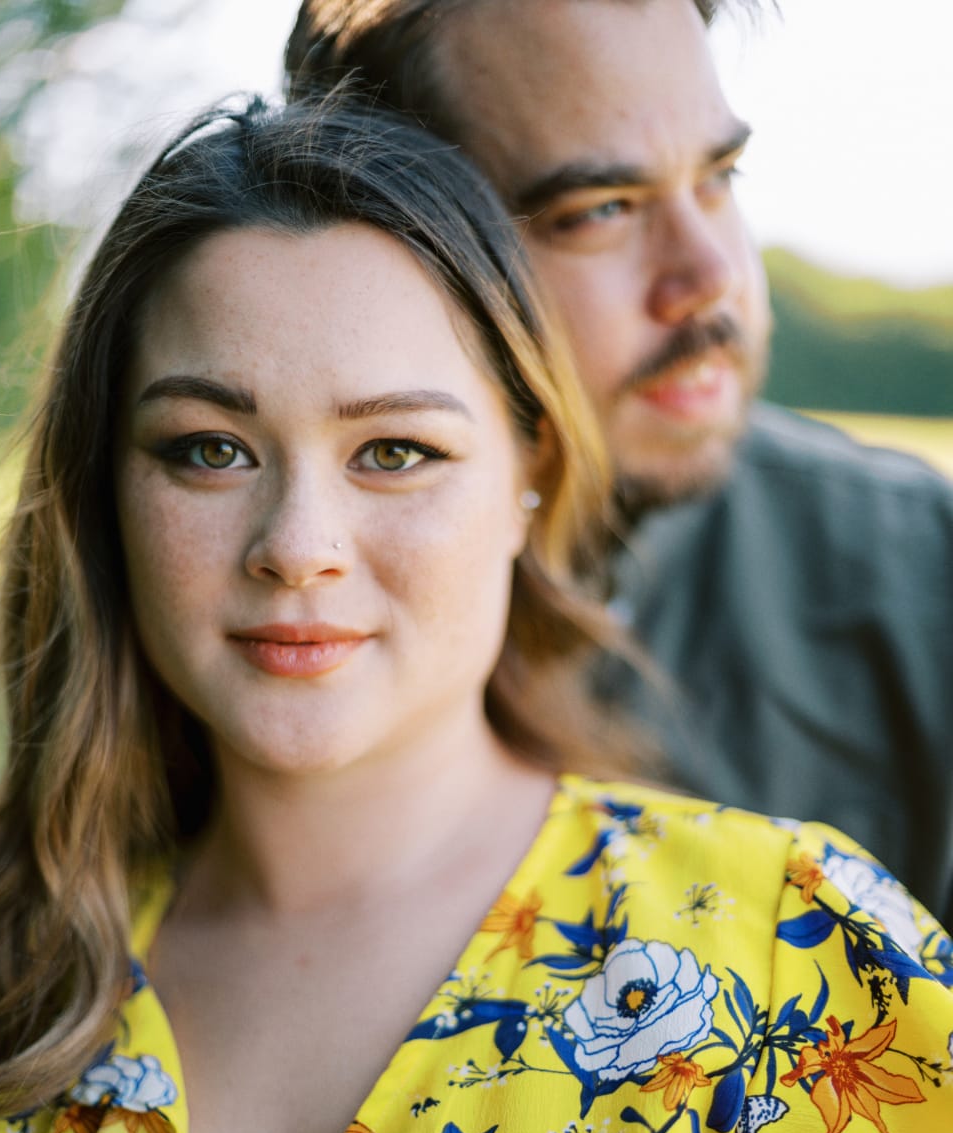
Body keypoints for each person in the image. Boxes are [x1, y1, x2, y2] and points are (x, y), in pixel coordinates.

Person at [0, 95, 953, 1133]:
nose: (297, 548)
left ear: (532, 469)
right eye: (210, 449)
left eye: (394, 451)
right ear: (107, 485)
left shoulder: (799, 961)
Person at [283, 0, 953, 924]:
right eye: (600, 209)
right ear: (394, 236)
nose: (711, 274)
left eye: (720, 175)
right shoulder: (273, 599)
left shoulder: (920, 572)